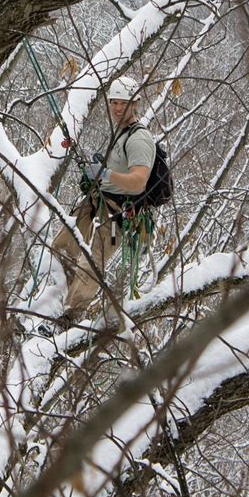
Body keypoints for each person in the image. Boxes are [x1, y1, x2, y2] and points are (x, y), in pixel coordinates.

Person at [51, 76, 156, 324]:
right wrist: (98, 174)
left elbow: (139, 181)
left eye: (124, 103)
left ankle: (70, 316)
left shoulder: (139, 139)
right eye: (114, 103)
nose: (118, 108)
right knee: (61, 246)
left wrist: (105, 175)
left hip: (118, 213)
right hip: (98, 202)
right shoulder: (121, 132)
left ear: (135, 104)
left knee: (91, 262)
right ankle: (56, 300)